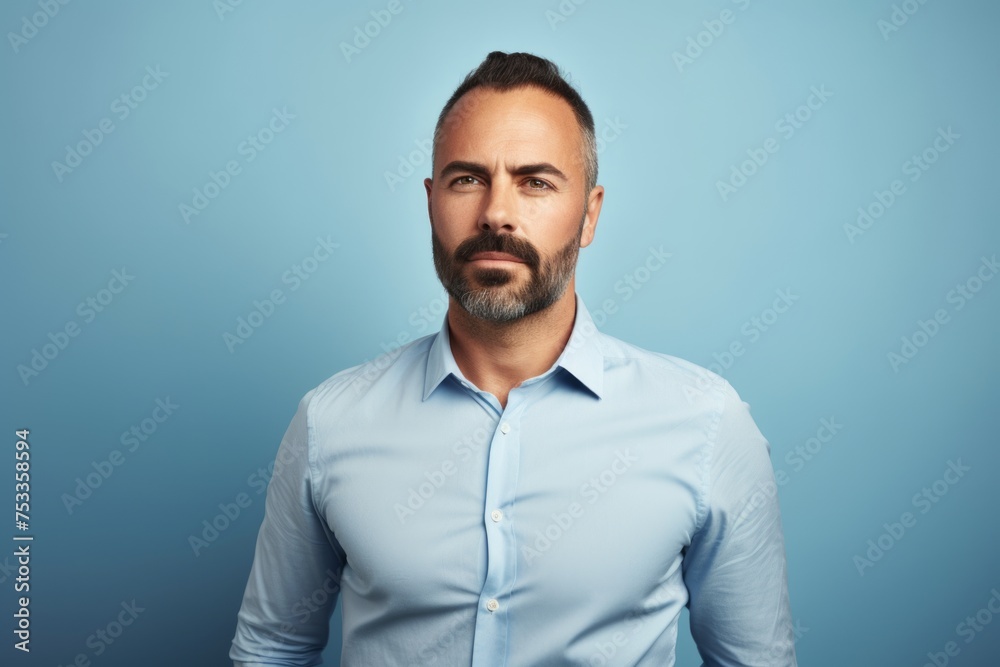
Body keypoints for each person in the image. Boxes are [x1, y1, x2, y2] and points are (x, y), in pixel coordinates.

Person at [230, 51, 796, 666]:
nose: (497, 212)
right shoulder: (330, 423)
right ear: (430, 201)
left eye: (536, 182)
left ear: (590, 214)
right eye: (467, 179)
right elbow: (272, 651)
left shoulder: (706, 425)